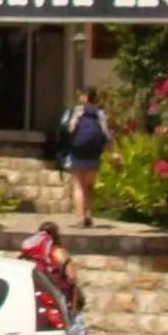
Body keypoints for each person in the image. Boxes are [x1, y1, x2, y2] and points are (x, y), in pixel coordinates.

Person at [59, 85, 108, 228]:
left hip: (77, 152)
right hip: (94, 153)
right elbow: (106, 134)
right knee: (90, 186)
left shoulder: (73, 111)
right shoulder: (99, 113)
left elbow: (64, 129)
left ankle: (80, 218)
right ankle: (89, 216)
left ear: (83, 97)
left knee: (78, 185)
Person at [20, 220, 78, 308]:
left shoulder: (29, 251)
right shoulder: (59, 252)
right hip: (57, 294)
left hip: (33, 292)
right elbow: (72, 277)